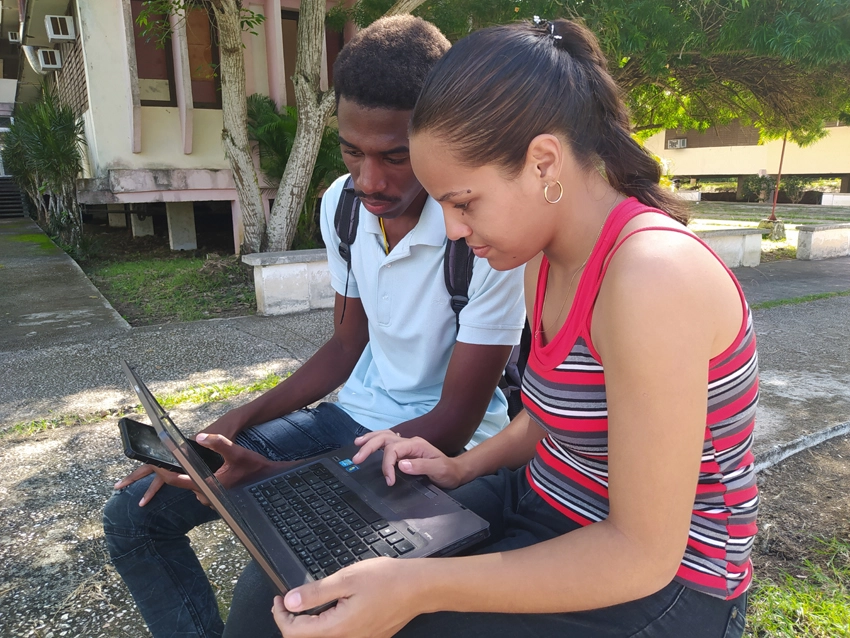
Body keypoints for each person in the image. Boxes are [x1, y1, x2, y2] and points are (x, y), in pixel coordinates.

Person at [269, 18, 759, 638]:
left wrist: (415, 588)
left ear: (543, 162)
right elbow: (557, 410)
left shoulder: (651, 278)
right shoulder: (542, 259)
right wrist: (462, 467)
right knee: (303, 576)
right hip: (541, 503)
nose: (450, 229)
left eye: (463, 201)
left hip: (668, 586)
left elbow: (641, 554)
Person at [102, 15, 525, 638]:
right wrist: (233, 423)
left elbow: (456, 421)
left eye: (396, 156)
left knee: (275, 597)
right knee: (134, 517)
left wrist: (284, 481)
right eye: (352, 151)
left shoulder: (480, 232)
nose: (369, 180)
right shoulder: (343, 208)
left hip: (431, 445)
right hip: (349, 420)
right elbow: (346, 345)